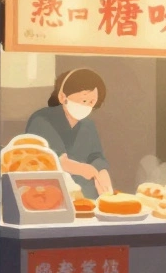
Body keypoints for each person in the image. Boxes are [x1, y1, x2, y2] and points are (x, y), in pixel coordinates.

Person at [26, 68, 112, 200]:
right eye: (84, 100)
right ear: (62, 97)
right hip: (48, 194)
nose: (87, 106)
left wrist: (102, 172)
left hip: (88, 198)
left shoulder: (88, 126)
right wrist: (83, 169)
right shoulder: (42, 119)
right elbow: (53, 159)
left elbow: (96, 156)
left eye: (91, 102)